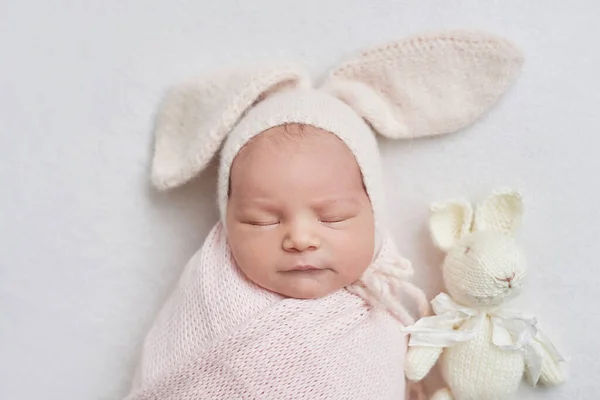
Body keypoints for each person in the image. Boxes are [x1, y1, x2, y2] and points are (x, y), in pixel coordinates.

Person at [127, 30, 523, 400]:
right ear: (226, 222)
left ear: (374, 216)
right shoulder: (208, 301)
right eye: (261, 220)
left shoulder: (381, 312)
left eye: (332, 217)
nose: (300, 238)